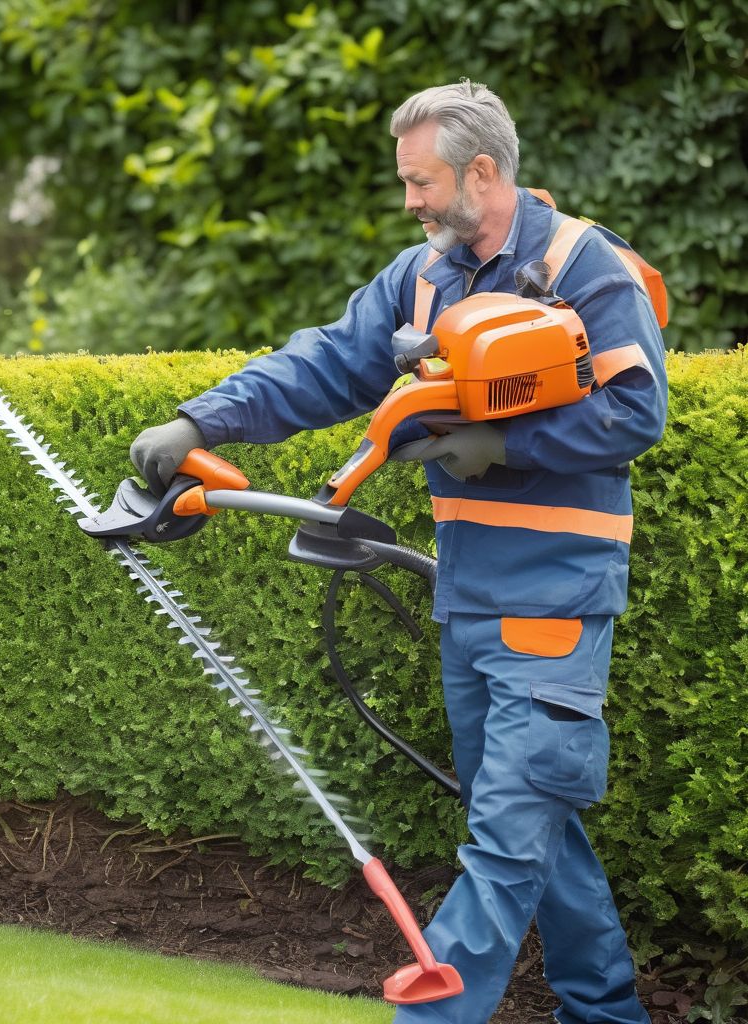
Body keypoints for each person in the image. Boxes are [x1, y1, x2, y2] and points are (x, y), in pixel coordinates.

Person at [130, 80, 667, 1024]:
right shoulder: (423, 276)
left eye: (421, 183)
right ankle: (607, 1012)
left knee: (507, 835)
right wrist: (198, 420)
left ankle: (430, 1016)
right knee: (534, 826)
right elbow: (326, 363)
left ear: (483, 172)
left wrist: (505, 446)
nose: (410, 201)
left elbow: (637, 411)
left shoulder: (587, 268)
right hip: (467, 597)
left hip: (556, 598)